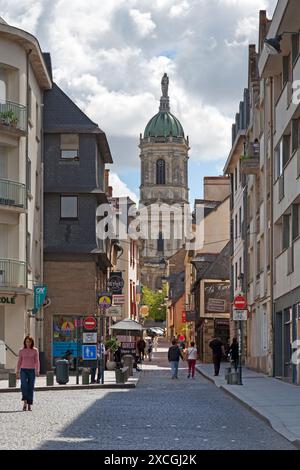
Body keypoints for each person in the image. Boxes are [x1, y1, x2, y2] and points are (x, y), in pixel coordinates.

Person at [16, 335, 40, 411]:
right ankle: (25, 402)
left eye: (29, 341)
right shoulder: (21, 351)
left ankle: (29, 404)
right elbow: (19, 361)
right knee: (24, 386)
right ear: (25, 342)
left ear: (32, 342)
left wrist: (37, 370)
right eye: (27, 341)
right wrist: (17, 371)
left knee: (31, 387)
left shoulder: (35, 350)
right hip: (23, 370)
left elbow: (37, 361)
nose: (28, 343)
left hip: (32, 371)